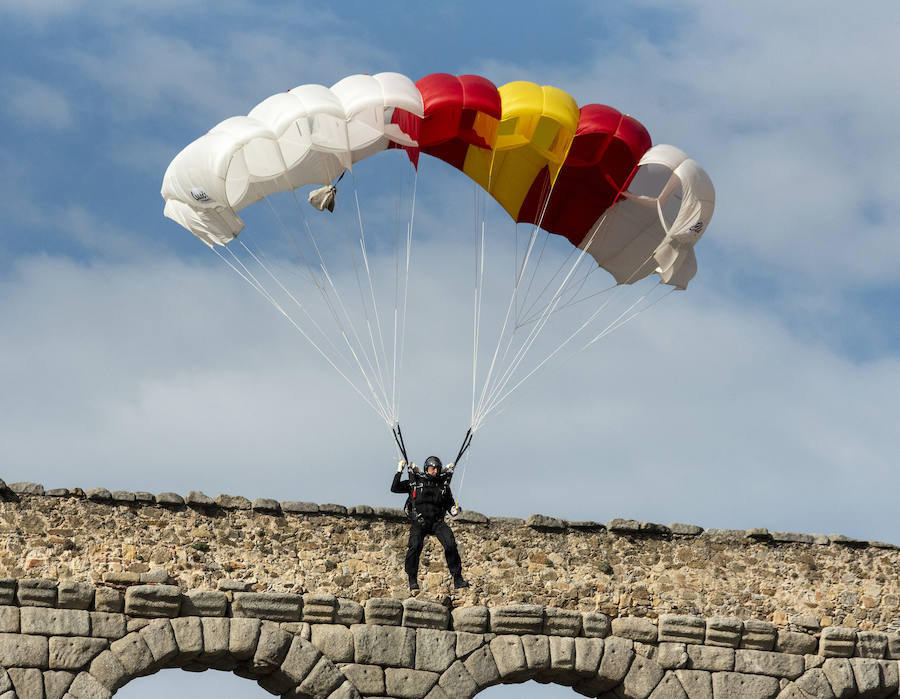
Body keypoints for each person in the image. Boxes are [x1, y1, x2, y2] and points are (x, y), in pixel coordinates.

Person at [391, 455, 469, 590]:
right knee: (415, 546)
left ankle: (457, 578)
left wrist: (454, 509)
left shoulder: (443, 486)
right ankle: (412, 579)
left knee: (450, 544)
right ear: (427, 469)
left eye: (438, 469)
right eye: (433, 469)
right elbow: (395, 488)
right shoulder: (415, 482)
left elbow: (450, 505)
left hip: (437, 522)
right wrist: (399, 471)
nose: (436, 472)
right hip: (419, 521)